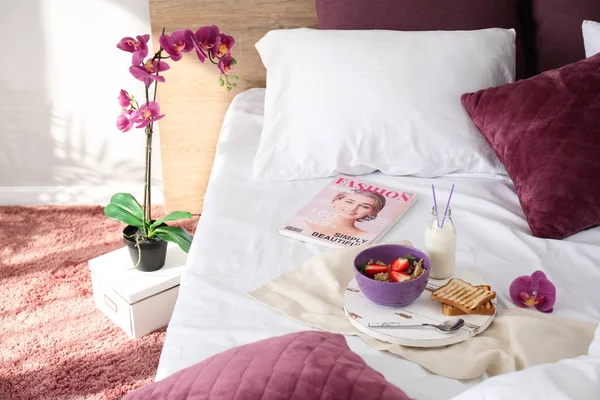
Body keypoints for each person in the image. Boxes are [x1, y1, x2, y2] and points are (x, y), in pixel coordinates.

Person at [306, 189, 387, 238]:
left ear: (371, 212)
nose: (353, 208)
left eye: (364, 206)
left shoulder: (365, 236)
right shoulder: (302, 221)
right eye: (349, 202)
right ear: (336, 200)